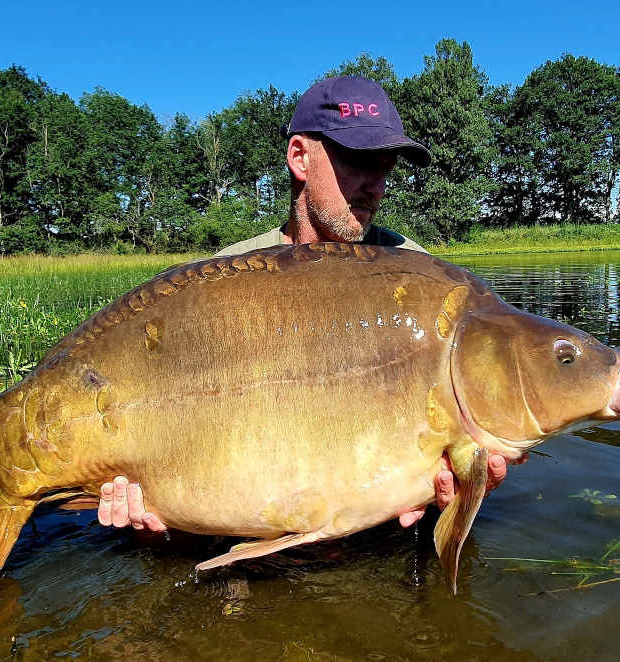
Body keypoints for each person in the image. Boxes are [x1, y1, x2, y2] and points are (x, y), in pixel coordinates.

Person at [95, 76, 514, 534]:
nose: (375, 186)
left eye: (385, 168)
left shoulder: (420, 279)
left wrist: (460, 487)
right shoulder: (220, 281)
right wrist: (154, 516)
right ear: (300, 157)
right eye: (359, 162)